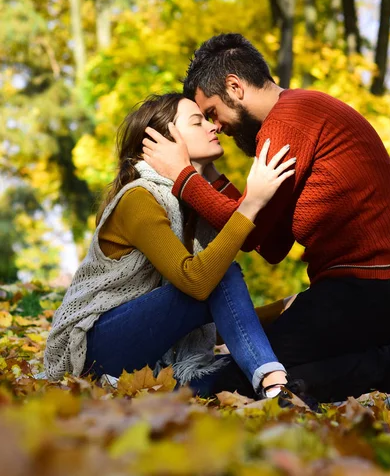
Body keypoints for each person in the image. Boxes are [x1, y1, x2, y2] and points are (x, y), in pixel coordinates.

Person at [141, 33, 390, 414]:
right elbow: (269, 241)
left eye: (213, 112)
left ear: (235, 87)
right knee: (258, 365)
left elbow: (247, 230)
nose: (217, 127)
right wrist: (212, 175)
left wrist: (182, 176)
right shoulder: (298, 113)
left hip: (363, 294)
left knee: (244, 376)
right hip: (369, 293)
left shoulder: (289, 122)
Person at [44, 93, 303, 402]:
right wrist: (251, 203)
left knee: (247, 370)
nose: (213, 127)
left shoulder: (188, 203)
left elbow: (215, 312)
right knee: (219, 272)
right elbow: (198, 282)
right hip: (96, 351)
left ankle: (283, 388)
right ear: (164, 140)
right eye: (197, 122)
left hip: (152, 358)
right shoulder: (139, 198)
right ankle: (274, 385)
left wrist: (286, 308)